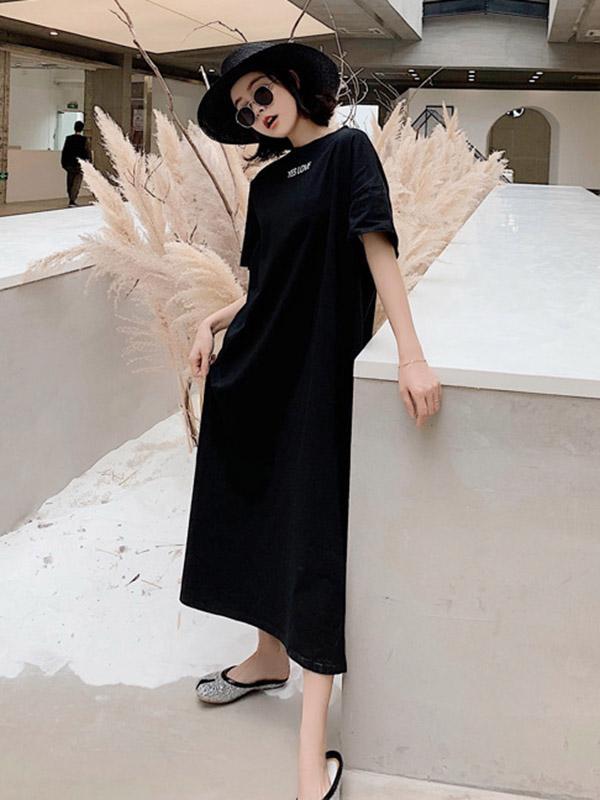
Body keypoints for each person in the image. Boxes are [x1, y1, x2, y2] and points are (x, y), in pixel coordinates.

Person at [179, 40, 442, 800]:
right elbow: (265, 284)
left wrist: (411, 353)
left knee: (314, 534)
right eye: (244, 112)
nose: (257, 114)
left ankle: (308, 752)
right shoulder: (266, 185)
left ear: (293, 83)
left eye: (262, 95)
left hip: (318, 376)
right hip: (252, 373)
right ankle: (268, 657)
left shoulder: (349, 152)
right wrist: (212, 321)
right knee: (252, 507)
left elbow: (377, 246)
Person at [60, 119, 91, 206]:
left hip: (69, 164)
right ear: (82, 129)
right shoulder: (85, 140)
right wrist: (89, 164)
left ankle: (71, 198)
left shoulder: (68, 138)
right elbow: (88, 152)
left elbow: (64, 151)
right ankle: (72, 200)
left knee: (70, 182)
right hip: (80, 165)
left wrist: (63, 163)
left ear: (74, 128)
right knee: (76, 184)